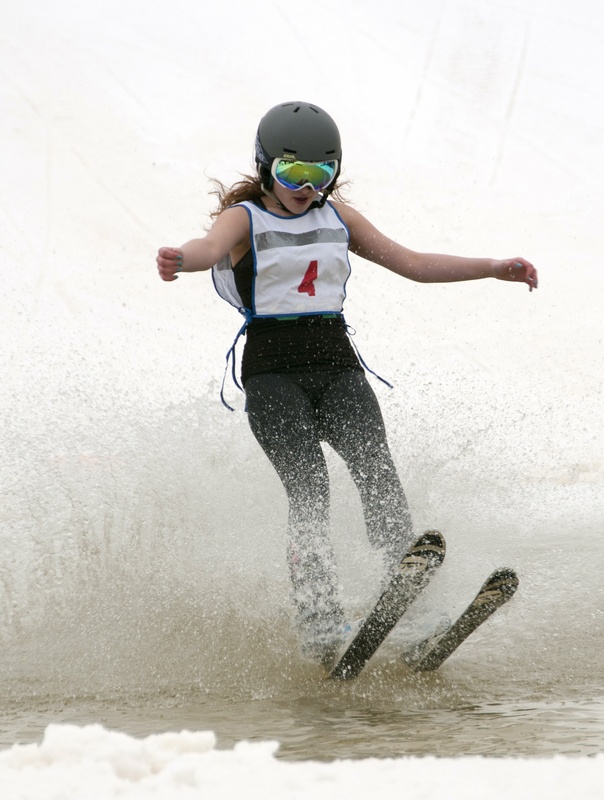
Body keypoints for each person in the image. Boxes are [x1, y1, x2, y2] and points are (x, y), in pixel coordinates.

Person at [155, 101, 538, 662]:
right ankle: (319, 619)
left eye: (320, 175)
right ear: (266, 167)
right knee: (309, 488)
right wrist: (178, 259)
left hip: (338, 367)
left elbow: (413, 263)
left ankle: (414, 611)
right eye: (293, 174)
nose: (306, 188)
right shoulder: (246, 218)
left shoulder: (340, 218)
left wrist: (492, 266)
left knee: (377, 470)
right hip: (272, 374)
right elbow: (208, 249)